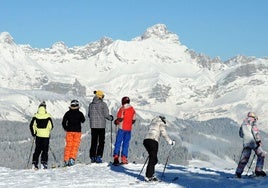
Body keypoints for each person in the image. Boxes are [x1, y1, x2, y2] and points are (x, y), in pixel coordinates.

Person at [143, 116, 175, 182]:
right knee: (153, 159)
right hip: (153, 141)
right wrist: (170, 142)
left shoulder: (153, 122)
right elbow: (164, 134)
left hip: (146, 141)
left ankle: (151, 175)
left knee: (153, 158)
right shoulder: (161, 123)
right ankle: (148, 176)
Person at [235, 112, 266, 178]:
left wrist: (246, 136)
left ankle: (238, 173)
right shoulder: (253, 122)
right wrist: (258, 140)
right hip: (253, 142)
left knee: (244, 158)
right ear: (254, 117)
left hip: (246, 143)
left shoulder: (243, 123)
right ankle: (258, 171)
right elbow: (255, 132)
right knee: (261, 154)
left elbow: (240, 134)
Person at [88, 90, 113, 163]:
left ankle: (92, 156)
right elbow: (106, 115)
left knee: (94, 142)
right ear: (100, 96)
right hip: (101, 126)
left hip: (93, 126)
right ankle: (99, 156)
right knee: (101, 142)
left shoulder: (91, 104)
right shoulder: (103, 104)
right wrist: (111, 118)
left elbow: (89, 115)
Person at [29, 101, 53, 169]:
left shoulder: (35, 116)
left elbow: (32, 125)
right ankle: (44, 163)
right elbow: (51, 126)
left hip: (38, 136)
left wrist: (34, 133)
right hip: (46, 136)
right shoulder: (48, 116)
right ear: (45, 108)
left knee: (37, 150)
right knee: (45, 150)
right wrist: (47, 131)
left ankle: (34, 163)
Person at [113, 96, 136, 165]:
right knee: (126, 144)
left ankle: (116, 158)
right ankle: (124, 159)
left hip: (122, 128)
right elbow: (134, 119)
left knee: (118, 143)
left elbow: (119, 118)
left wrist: (116, 121)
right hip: (129, 129)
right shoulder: (132, 109)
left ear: (123, 102)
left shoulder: (122, 109)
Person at [62, 99, 85, 166]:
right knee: (75, 146)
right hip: (77, 132)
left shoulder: (67, 113)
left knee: (68, 145)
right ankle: (72, 159)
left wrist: (66, 128)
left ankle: (66, 160)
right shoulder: (80, 113)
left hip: (69, 131)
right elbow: (83, 120)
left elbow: (63, 122)